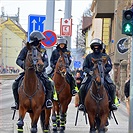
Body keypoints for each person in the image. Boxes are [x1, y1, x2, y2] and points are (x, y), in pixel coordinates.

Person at [11, 31, 54, 110]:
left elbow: (46, 62)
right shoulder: (26, 49)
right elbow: (18, 60)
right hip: (28, 72)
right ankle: (17, 102)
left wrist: (42, 66)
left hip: (40, 72)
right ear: (35, 41)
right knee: (15, 84)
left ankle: (48, 101)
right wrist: (24, 65)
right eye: (39, 40)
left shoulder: (43, 50)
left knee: (50, 83)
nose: (41, 42)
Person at [78, 38, 117, 111]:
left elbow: (109, 66)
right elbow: (85, 67)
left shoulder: (105, 56)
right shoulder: (89, 57)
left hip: (104, 76)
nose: (96, 48)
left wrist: (104, 72)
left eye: (97, 46)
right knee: (82, 87)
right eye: (94, 46)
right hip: (91, 76)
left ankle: (112, 103)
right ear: (92, 47)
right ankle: (82, 104)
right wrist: (90, 72)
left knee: (112, 86)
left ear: (100, 47)